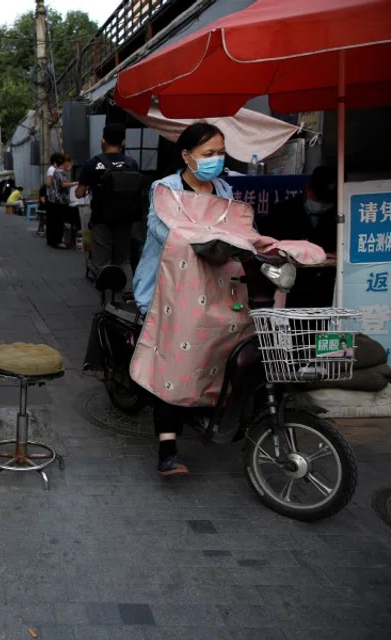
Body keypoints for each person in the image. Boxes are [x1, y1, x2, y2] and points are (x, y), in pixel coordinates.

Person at [132, 122, 233, 476]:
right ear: (187, 156)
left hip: (210, 285)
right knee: (171, 367)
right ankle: (167, 451)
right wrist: (202, 239)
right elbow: (160, 229)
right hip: (168, 287)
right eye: (208, 154)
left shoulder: (224, 188)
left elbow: (235, 227)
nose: (216, 160)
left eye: (220, 153)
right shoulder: (166, 189)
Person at [258, 165, 338, 308]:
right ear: (307, 188)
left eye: (327, 201)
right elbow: (264, 247)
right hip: (290, 288)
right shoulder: (283, 212)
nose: (321, 204)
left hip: (327, 287)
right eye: (318, 198)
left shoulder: (339, 215)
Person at [77, 124, 146, 285]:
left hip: (101, 220)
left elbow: (80, 193)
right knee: (124, 260)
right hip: (126, 220)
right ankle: (128, 295)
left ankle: (108, 300)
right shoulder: (132, 163)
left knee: (102, 262)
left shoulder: (92, 164)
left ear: (103, 141)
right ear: (123, 142)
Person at [46, 155, 79, 248]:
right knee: (59, 222)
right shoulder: (61, 172)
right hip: (59, 200)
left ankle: (54, 241)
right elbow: (64, 184)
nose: (70, 165)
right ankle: (58, 241)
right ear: (65, 162)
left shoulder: (57, 171)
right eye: (69, 162)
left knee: (55, 222)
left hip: (54, 200)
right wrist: (76, 183)